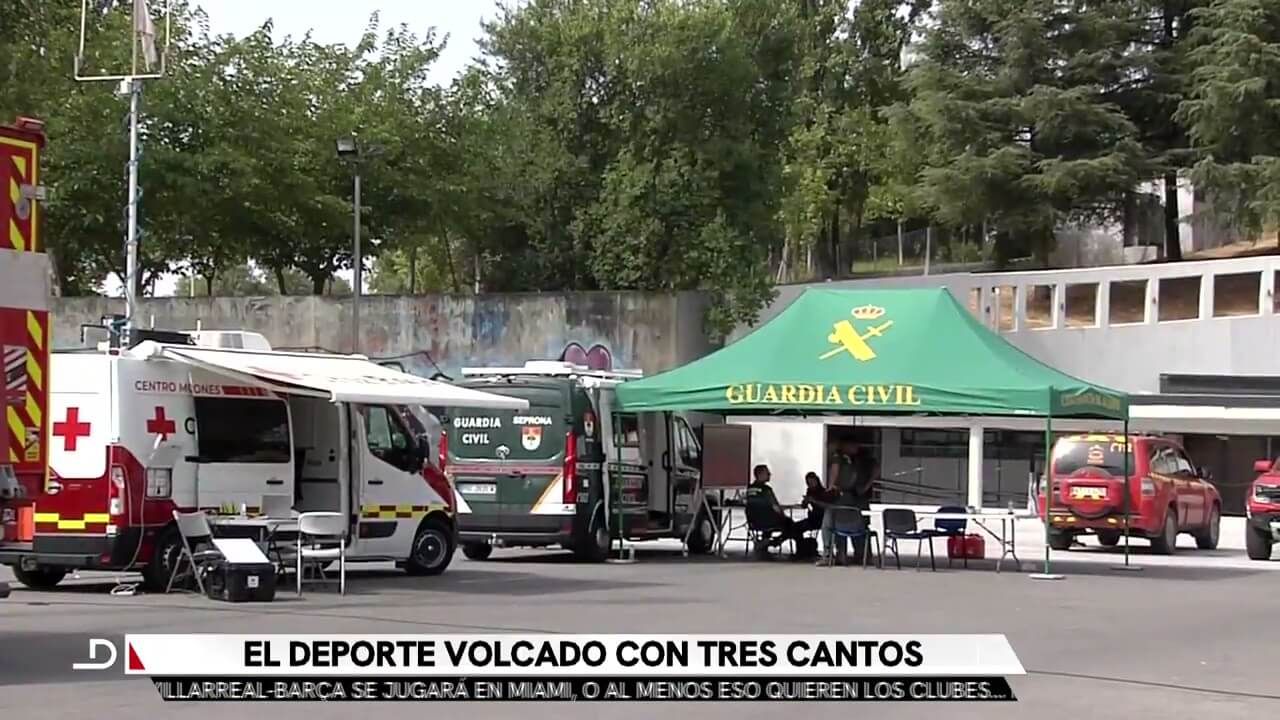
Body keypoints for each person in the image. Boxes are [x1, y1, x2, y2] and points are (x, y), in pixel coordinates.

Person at [745, 464, 804, 556]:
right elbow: (775, 507)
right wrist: (783, 514)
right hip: (770, 521)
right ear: (760, 474)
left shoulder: (749, 489)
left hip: (754, 522)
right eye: (767, 473)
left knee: (767, 519)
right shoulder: (766, 489)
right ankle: (795, 550)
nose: (769, 474)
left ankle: (765, 543)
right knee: (792, 525)